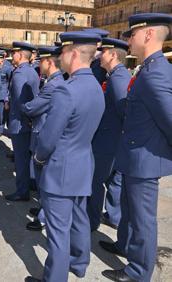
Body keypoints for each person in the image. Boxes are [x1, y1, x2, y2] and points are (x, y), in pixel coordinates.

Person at [27, 31, 105, 282]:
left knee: (58, 234)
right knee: (79, 220)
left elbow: (49, 137)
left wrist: (38, 158)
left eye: (62, 52)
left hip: (61, 169)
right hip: (83, 164)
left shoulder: (66, 90)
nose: (59, 57)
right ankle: (79, 263)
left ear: (72, 53)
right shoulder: (94, 84)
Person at [101, 13, 172, 282]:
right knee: (129, 211)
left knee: (143, 221)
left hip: (145, 157)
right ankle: (124, 246)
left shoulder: (155, 73)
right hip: (134, 154)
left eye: (132, 34)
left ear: (149, 35)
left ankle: (139, 272)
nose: (128, 39)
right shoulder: (149, 68)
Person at [87, 38, 131, 233]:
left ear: (113, 55)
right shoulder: (114, 75)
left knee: (96, 181)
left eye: (103, 51)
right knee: (113, 181)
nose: (99, 55)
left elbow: (125, 111)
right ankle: (113, 216)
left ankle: (91, 220)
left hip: (108, 140)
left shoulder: (118, 77)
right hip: (111, 138)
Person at [21, 45, 65, 232]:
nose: (39, 65)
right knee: (41, 182)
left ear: (48, 62)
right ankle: (43, 209)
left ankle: (44, 218)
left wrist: (21, 106)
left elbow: (32, 108)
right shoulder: (52, 81)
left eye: (41, 62)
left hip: (43, 137)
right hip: (40, 132)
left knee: (44, 181)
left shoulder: (54, 85)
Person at [4, 42, 39, 202]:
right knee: (28, 156)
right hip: (28, 122)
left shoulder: (19, 73)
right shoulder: (31, 71)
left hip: (20, 122)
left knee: (21, 159)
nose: (12, 56)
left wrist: (26, 119)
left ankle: (22, 191)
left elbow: (20, 102)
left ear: (19, 55)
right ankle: (30, 183)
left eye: (14, 53)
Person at [0, 50, 13, 137]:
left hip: (3, 94)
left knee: (2, 114)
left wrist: (7, 95)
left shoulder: (8, 68)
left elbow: (10, 82)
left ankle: (1, 129)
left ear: (2, 58)